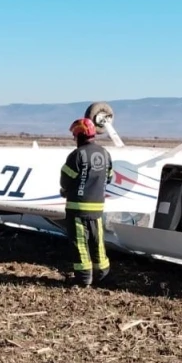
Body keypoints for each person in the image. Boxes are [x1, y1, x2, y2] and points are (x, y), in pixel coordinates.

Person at [59, 117, 113, 286]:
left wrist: (66, 190)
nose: (74, 139)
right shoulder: (105, 153)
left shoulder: (77, 155)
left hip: (78, 208)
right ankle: (102, 276)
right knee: (98, 243)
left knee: (80, 244)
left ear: (80, 135)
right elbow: (109, 177)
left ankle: (83, 279)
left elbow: (65, 180)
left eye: (75, 136)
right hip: (97, 208)